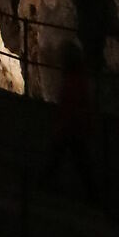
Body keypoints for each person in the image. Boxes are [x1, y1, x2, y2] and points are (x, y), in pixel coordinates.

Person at [42, 43, 99, 198]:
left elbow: (71, 102)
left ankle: (46, 182)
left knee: (68, 155)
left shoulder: (73, 80)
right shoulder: (79, 78)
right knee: (77, 157)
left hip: (72, 123)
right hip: (75, 123)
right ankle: (92, 192)